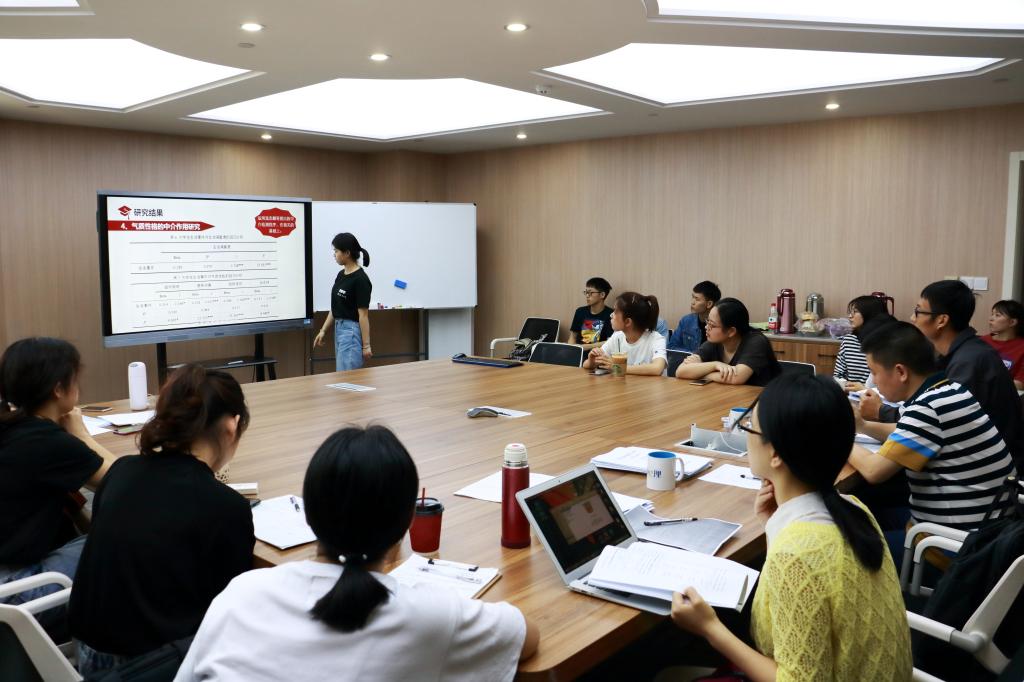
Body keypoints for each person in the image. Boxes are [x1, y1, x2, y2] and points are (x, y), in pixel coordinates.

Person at [175, 425, 539, 682]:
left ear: (310, 514)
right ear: (406, 523)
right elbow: (526, 636)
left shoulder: (241, 593)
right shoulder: (431, 615)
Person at [669, 374, 912, 681]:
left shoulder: (797, 554)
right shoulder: (854, 508)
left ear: (776, 453)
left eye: (750, 427)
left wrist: (709, 628)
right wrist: (772, 526)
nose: (746, 434)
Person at [70, 365, 255, 676]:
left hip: (85, 651)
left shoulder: (122, 471)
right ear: (231, 426)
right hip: (147, 666)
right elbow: (228, 610)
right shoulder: (226, 506)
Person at [849, 322, 1015, 532]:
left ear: (901, 372)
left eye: (874, 372)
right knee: (861, 510)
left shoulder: (928, 409)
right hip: (994, 526)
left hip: (958, 541)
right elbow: (905, 431)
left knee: (851, 528)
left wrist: (837, 434)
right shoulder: (949, 389)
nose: (873, 381)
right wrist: (862, 426)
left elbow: (873, 471)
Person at [0, 338, 115, 611]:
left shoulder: (12, 428)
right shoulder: (49, 442)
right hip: (17, 591)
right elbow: (129, 482)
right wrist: (82, 434)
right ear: (59, 389)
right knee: (128, 538)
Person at [862, 280, 1024, 467]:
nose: (912, 318)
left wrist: (880, 411)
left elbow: (933, 420)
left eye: (918, 311)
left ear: (941, 320)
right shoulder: (957, 353)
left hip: (988, 469)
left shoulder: (969, 362)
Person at [675, 298, 781, 386]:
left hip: (764, 400)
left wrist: (700, 373)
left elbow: (736, 378)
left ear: (731, 331)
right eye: (707, 321)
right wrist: (715, 365)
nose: (706, 327)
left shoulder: (756, 341)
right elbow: (681, 371)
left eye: (712, 325)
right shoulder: (713, 342)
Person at [313, 232, 373, 371]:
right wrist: (323, 330)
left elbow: (363, 315)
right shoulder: (341, 275)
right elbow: (335, 307)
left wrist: (366, 345)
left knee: (347, 376)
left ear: (347, 253)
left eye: (336, 251)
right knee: (342, 374)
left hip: (350, 332)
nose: (334, 254)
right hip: (339, 329)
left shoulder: (361, 279)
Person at [583, 292, 668, 376]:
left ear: (627, 322)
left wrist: (618, 367)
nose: (611, 315)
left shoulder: (656, 339)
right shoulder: (617, 336)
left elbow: (657, 368)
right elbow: (586, 365)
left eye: (615, 312)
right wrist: (592, 361)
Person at [834, 295, 895, 388]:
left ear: (870, 314)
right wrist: (846, 386)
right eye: (850, 312)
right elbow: (838, 376)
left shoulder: (885, 343)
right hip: (850, 393)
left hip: (876, 395)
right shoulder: (848, 340)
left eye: (855, 312)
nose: (850, 316)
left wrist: (863, 389)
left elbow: (890, 383)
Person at [667, 281, 721, 352]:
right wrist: (693, 355)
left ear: (709, 304)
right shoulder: (686, 321)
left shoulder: (718, 326)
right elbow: (671, 346)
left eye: (697, 299)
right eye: (692, 297)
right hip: (688, 359)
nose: (692, 302)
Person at [983, 299, 1024, 390]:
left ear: (1012, 322)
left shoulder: (1022, 347)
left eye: (997, 315)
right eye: (992, 314)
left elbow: (1020, 384)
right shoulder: (981, 342)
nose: (991, 318)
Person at [568, 277, 613, 350]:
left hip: (598, 354)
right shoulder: (580, 312)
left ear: (602, 295)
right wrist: (571, 350)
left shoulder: (611, 315)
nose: (587, 295)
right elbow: (572, 337)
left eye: (590, 293)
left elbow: (610, 341)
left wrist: (584, 347)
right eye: (586, 292)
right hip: (579, 353)